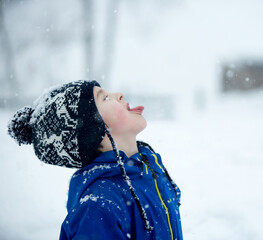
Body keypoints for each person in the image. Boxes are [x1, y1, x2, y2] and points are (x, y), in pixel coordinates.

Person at [7, 80, 183, 240]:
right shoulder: (99, 205)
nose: (119, 94)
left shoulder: (148, 170)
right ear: (93, 130)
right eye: (105, 98)